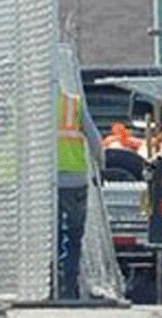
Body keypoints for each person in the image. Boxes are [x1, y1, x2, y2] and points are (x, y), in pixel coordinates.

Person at [56, 69, 103, 299]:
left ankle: (51, 284)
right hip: (75, 181)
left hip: (46, 184)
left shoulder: (34, 110)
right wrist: (100, 168)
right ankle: (69, 287)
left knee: (52, 235)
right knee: (74, 236)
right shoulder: (73, 104)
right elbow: (96, 142)